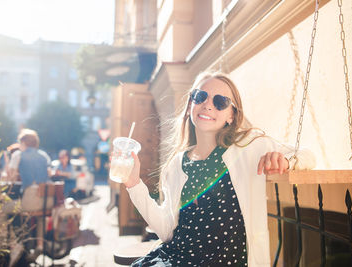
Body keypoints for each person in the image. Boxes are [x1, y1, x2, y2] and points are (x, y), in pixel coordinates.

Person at [123, 72, 315, 266]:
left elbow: (307, 155)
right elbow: (166, 230)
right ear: (190, 105)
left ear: (231, 115)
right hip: (178, 258)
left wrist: (284, 160)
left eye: (220, 101)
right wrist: (134, 184)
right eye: (200, 97)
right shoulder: (177, 164)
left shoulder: (249, 147)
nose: (208, 105)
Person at [8, 128, 52, 255]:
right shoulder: (44, 155)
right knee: (40, 216)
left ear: (23, 143)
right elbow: (49, 173)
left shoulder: (18, 155)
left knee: (1, 209)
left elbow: (10, 176)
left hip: (30, 201)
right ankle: (39, 246)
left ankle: (12, 243)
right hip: (46, 201)